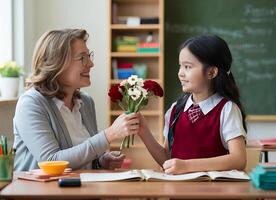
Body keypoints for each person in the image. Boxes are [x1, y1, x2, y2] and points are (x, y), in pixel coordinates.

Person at [13, 29, 139, 171]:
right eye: (82, 58)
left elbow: (81, 158)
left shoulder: (86, 102)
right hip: (40, 192)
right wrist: (109, 135)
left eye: (89, 56)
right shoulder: (31, 104)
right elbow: (51, 161)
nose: (91, 64)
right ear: (58, 63)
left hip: (78, 190)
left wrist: (100, 162)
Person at [138, 35, 247, 174]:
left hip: (213, 193)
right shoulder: (175, 109)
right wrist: (143, 131)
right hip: (178, 193)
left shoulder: (227, 109)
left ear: (211, 72)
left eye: (187, 67)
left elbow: (239, 159)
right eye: (180, 66)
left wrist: (187, 166)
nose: (180, 73)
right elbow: (167, 159)